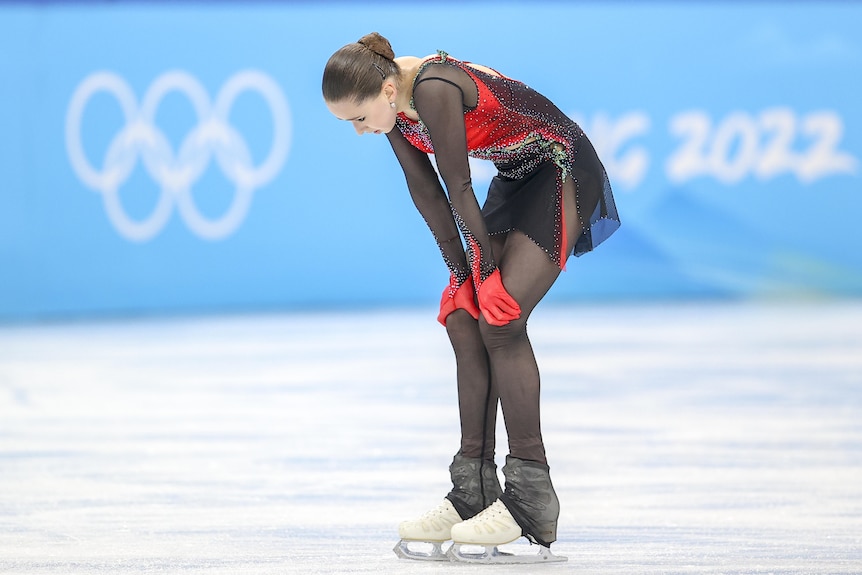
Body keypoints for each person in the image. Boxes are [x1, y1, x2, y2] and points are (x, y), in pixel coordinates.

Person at [322, 32, 619, 563]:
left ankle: (531, 504)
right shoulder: (395, 112)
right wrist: (461, 276)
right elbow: (428, 195)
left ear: (388, 90)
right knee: (464, 317)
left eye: (359, 118)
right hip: (520, 177)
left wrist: (482, 271)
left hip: (562, 168)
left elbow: (458, 186)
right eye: (349, 124)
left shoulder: (433, 88)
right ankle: (473, 490)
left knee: (502, 321)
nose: (360, 131)